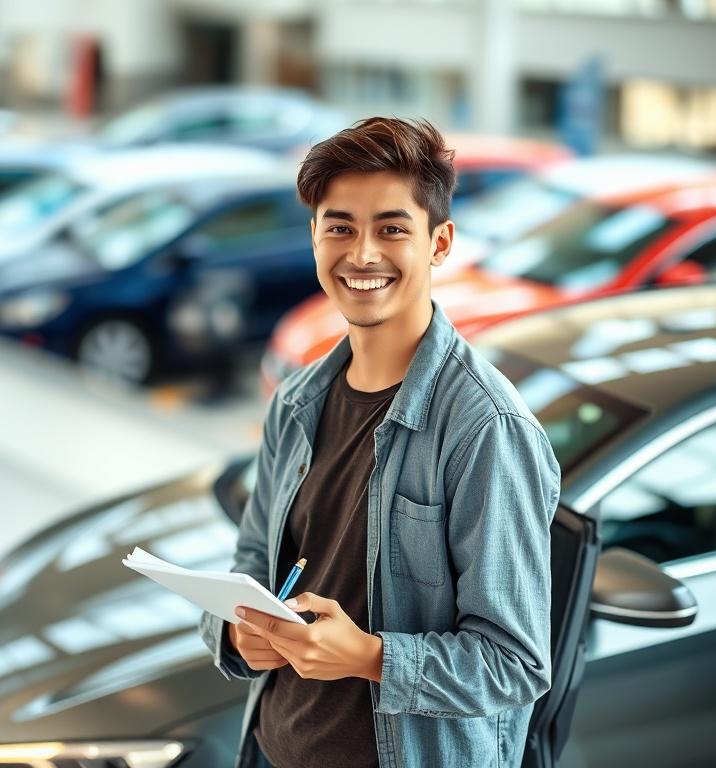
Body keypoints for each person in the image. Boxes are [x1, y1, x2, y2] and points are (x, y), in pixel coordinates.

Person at [199, 117, 560, 768]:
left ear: (439, 243)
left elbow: (515, 665)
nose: (362, 254)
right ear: (314, 238)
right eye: (340, 227)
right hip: (273, 751)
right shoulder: (298, 399)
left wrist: (369, 656)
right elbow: (253, 561)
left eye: (392, 229)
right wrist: (231, 630)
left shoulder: (486, 428)